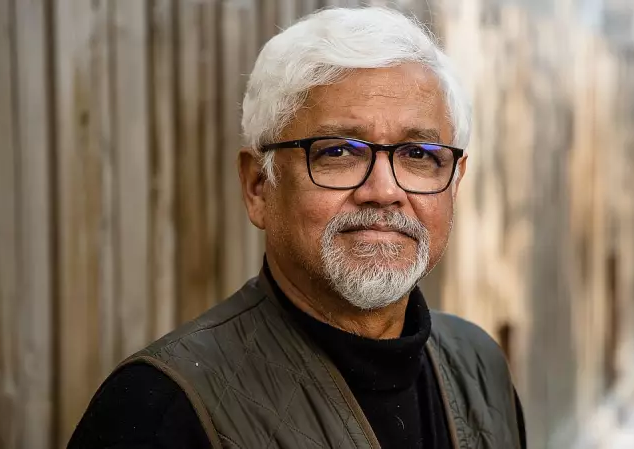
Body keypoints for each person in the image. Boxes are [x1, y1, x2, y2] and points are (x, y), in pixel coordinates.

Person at [69, 6, 526, 449]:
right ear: (258, 187)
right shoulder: (160, 412)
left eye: (418, 155)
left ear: (454, 183)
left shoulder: (479, 367)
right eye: (338, 152)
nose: (384, 191)